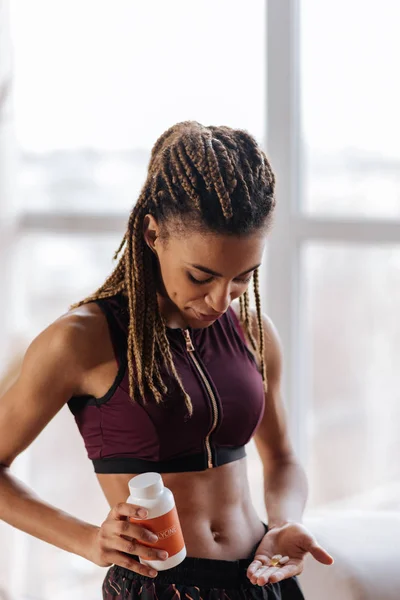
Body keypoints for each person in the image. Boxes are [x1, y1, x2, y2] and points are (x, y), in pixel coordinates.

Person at [0, 121, 333, 599]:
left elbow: (281, 458)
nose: (222, 300)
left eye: (243, 277)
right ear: (153, 233)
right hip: (161, 589)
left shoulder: (254, 332)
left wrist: (284, 523)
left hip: (263, 581)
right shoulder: (81, 340)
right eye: (202, 276)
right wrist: (89, 541)